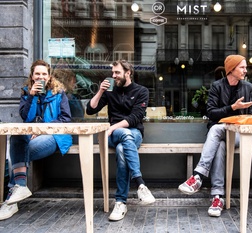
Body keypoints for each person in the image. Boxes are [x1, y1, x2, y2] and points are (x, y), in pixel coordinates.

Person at [178, 55, 252, 217]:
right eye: (242, 67)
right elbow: (211, 113)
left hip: (240, 135)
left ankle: (198, 176)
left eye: (245, 67)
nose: (246, 70)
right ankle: (218, 197)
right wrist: (232, 107)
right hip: (222, 137)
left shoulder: (248, 87)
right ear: (231, 69)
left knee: (216, 130)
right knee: (220, 143)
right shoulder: (217, 86)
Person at [0, 60, 73, 220]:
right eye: (37, 74)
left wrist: (41, 130)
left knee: (19, 153)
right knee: (17, 136)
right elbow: (27, 118)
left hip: (55, 137)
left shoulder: (59, 93)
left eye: (44, 74)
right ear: (32, 76)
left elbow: (65, 119)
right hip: (31, 135)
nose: (40, 77)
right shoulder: (27, 92)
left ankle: (11, 201)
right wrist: (31, 97)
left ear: (49, 76)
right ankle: (19, 187)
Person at [85, 59, 155, 221]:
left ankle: (120, 202)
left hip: (132, 132)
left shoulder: (141, 91)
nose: (113, 76)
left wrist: (112, 127)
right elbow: (90, 110)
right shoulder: (110, 90)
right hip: (114, 135)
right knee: (124, 136)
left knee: (122, 148)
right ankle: (140, 184)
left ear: (128, 73)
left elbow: (135, 117)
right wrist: (101, 92)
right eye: (113, 73)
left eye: (117, 73)